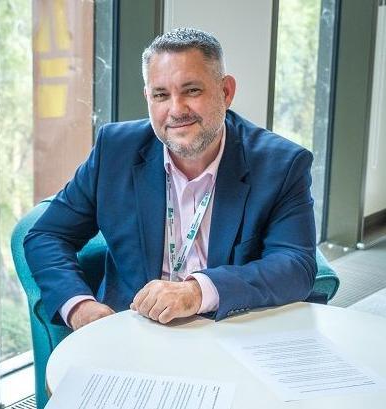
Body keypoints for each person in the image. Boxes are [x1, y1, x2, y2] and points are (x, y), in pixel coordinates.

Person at [24, 28, 316, 330]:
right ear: (148, 98)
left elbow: (296, 264)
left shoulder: (281, 165)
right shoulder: (116, 150)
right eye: (161, 95)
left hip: (230, 329)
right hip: (133, 331)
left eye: (192, 91)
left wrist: (197, 291)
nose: (176, 110)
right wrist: (80, 307)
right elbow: (47, 235)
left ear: (226, 92)